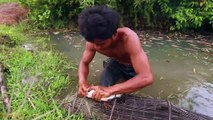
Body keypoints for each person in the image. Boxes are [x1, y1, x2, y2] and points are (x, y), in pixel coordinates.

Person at [77, 5, 153, 101]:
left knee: (128, 94)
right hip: (115, 64)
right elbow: (84, 62)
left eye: (101, 43)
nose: (96, 47)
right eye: (94, 43)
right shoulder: (93, 39)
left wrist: (112, 89)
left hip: (133, 68)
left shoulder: (129, 38)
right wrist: (82, 81)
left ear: (114, 34)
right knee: (100, 93)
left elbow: (146, 77)